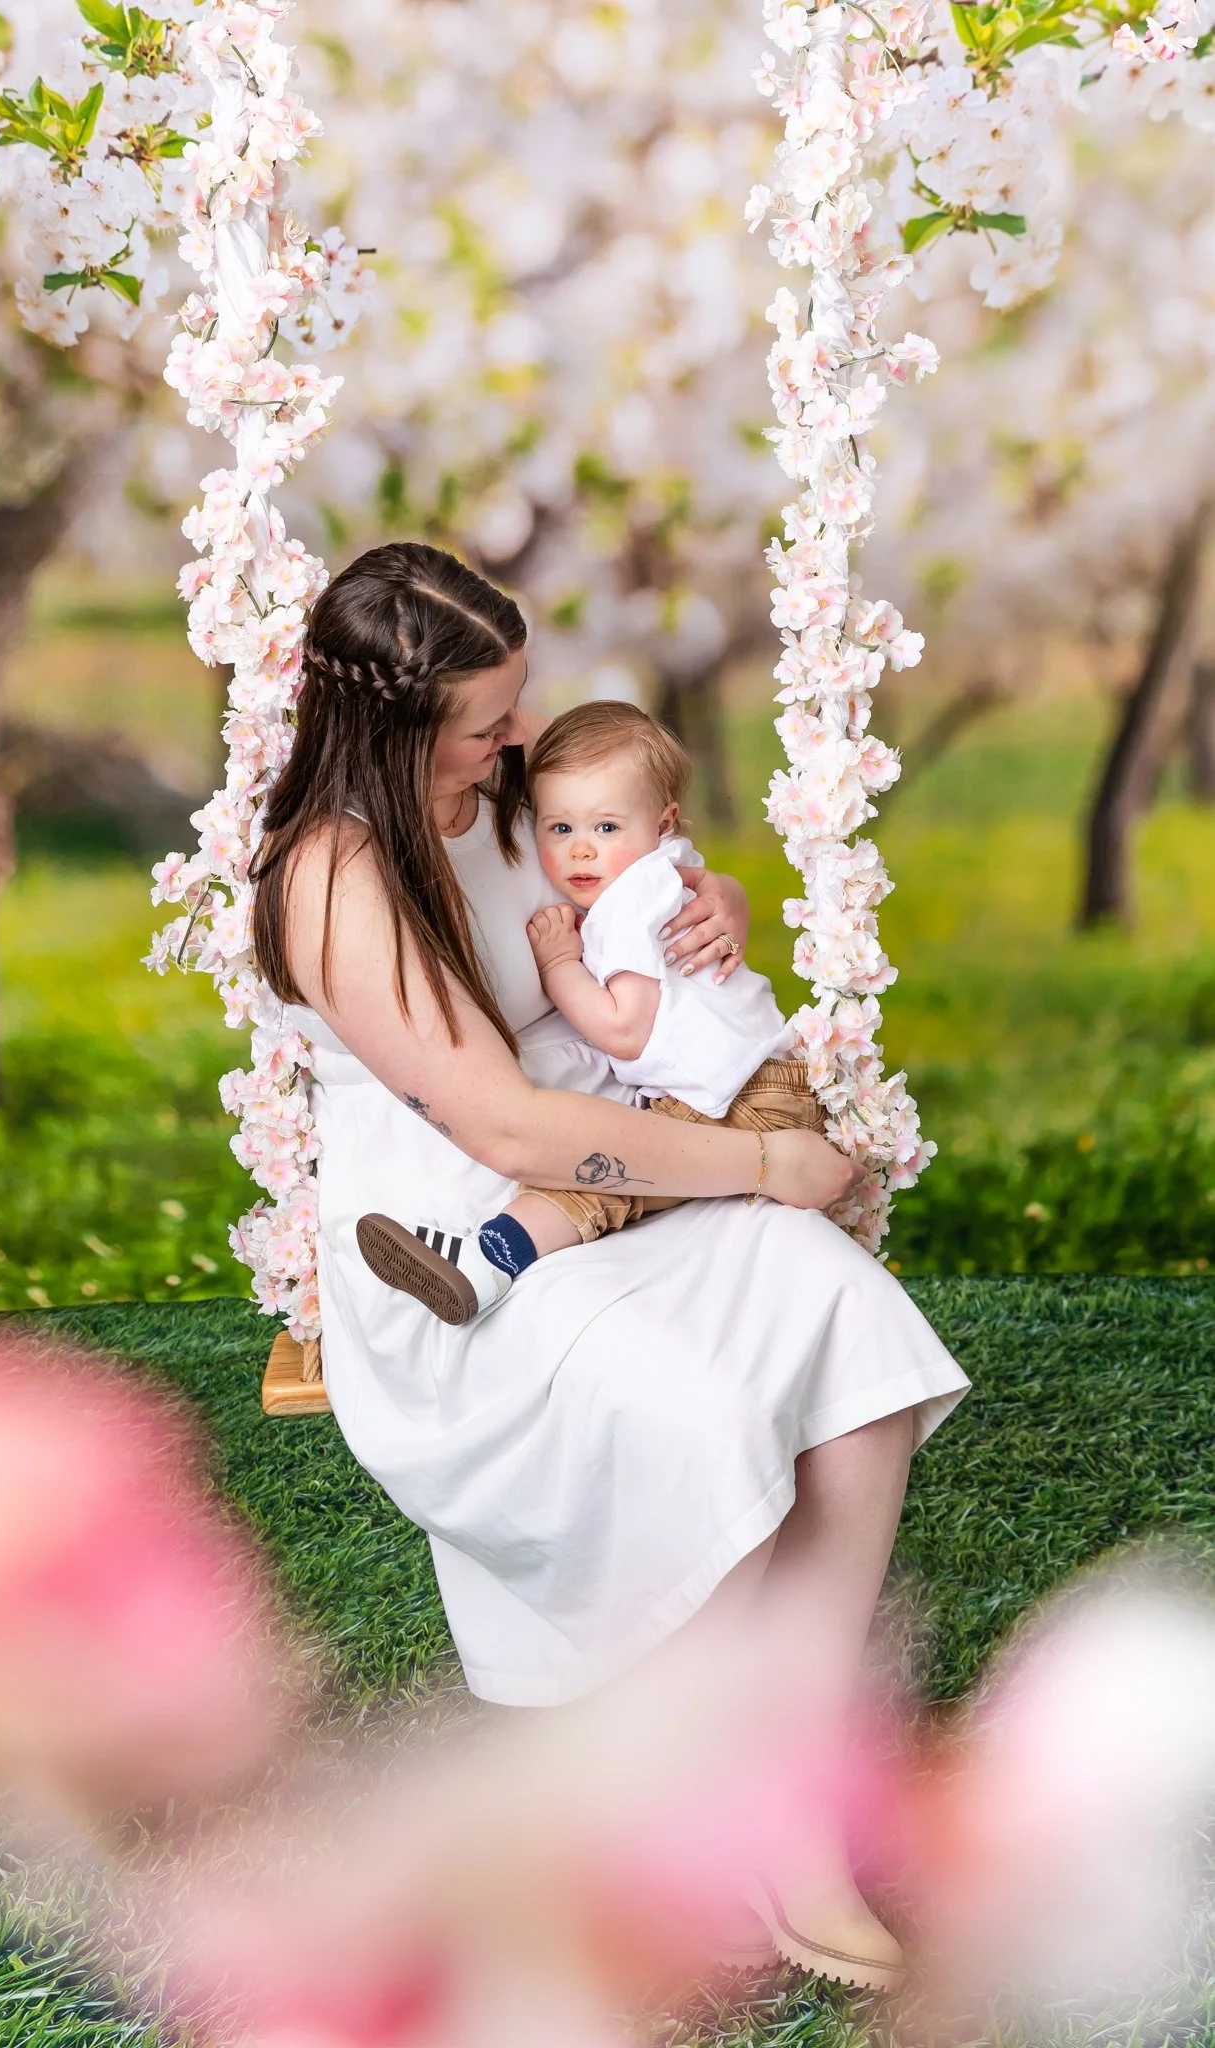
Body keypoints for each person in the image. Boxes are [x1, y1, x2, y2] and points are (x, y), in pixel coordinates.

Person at [251, 540, 970, 1990]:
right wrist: (766, 1164)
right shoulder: (334, 873)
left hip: (621, 1147)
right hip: (463, 1243)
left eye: (512, 709)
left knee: (857, 1336)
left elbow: (632, 883)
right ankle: (658, 1799)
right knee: (695, 1413)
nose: (515, 741)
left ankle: (788, 1791)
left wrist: (715, 915)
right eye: (483, 721)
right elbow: (507, 1119)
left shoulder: (507, 795)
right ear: (396, 727)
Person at [357, 699, 828, 1326]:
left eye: (606, 829)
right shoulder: (663, 869)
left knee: (600, 1175)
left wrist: (559, 964)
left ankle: (488, 1262)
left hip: (742, 1099)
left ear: (662, 823)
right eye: (560, 830)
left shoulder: (633, 903)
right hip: (746, 1083)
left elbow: (625, 1030)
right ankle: (483, 1255)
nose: (581, 853)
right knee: (610, 1167)